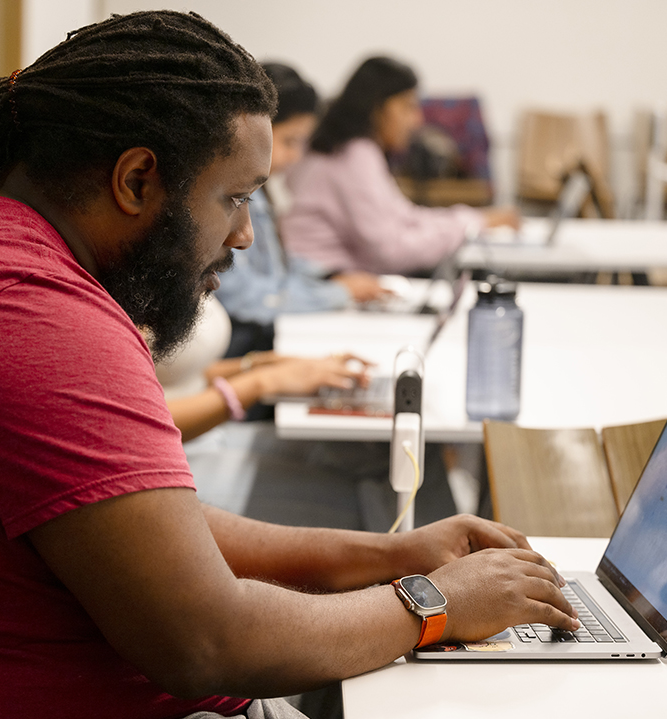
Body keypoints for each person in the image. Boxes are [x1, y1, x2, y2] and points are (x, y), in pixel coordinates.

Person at [0, 11, 578, 719]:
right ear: (137, 180)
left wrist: (392, 558)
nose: (244, 235)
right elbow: (204, 640)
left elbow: (148, 525)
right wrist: (437, 602)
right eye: (235, 198)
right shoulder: (25, 310)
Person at [283, 56, 519, 275]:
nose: (417, 120)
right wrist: (471, 225)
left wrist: (473, 220)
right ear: (377, 107)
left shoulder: (350, 148)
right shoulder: (353, 155)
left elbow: (403, 217)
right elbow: (391, 252)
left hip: (323, 278)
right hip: (320, 282)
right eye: (408, 106)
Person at [215, 62, 388, 356]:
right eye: (289, 141)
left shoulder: (262, 193)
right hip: (239, 346)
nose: (295, 156)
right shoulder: (226, 198)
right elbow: (243, 297)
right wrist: (338, 293)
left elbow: (275, 268)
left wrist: (331, 275)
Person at [156, 294, 369, 442]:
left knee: (361, 463)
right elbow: (136, 424)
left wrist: (264, 363)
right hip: (166, 461)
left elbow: (179, 374)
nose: (247, 238)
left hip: (208, 438)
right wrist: (263, 381)